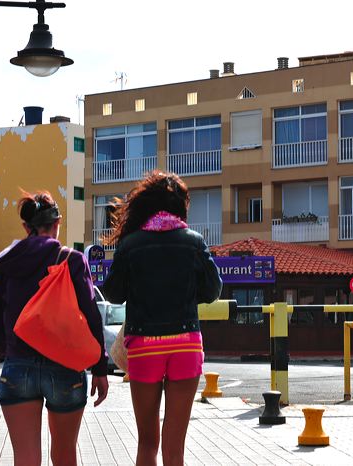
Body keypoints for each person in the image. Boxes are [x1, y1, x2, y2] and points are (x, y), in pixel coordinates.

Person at [102, 171, 222, 466]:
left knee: (147, 444)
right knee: (175, 448)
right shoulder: (194, 242)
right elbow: (213, 290)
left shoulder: (131, 244)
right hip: (186, 345)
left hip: (145, 346)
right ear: (180, 207)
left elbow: (113, 293)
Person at [0, 190, 109, 466]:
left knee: (26, 458)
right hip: (65, 369)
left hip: (17, 368)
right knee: (65, 456)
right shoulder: (72, 260)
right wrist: (100, 368)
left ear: (26, 227)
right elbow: (91, 316)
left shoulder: (4, 263)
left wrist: (11, 354)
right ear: (58, 223)